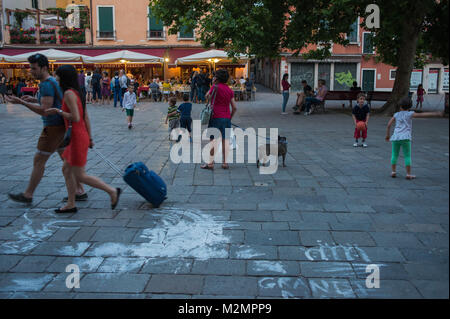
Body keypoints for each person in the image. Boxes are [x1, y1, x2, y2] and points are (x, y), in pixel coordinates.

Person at [6, 54, 87, 204]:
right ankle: (79, 190)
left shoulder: (46, 84)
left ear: (44, 68)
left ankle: (28, 194)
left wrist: (21, 102)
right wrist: (34, 99)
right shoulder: (51, 82)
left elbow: (44, 109)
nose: (31, 71)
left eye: (34, 68)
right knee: (67, 160)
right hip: (61, 127)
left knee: (39, 160)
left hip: (52, 128)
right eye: (30, 68)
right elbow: (52, 101)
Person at [44, 65, 121, 213]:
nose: (55, 78)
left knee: (80, 175)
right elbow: (85, 116)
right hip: (79, 135)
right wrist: (90, 137)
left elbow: (76, 117)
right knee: (66, 169)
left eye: (57, 75)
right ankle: (71, 203)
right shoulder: (76, 92)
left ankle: (112, 191)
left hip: (76, 137)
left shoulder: (68, 94)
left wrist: (57, 111)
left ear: (63, 77)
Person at [385, 97, 444, 180]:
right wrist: (436, 114)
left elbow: (388, 125)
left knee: (394, 154)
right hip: (406, 138)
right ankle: (408, 174)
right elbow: (422, 115)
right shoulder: (410, 114)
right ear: (409, 107)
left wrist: (387, 135)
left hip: (396, 137)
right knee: (407, 156)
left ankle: (393, 172)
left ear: (400, 106)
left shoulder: (396, 114)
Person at [201, 69, 237, 170]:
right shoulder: (230, 90)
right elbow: (234, 107)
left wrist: (212, 84)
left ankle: (210, 163)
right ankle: (225, 163)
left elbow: (206, 96)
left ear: (216, 78)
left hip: (215, 117)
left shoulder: (215, 87)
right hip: (226, 118)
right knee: (225, 140)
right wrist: (229, 117)